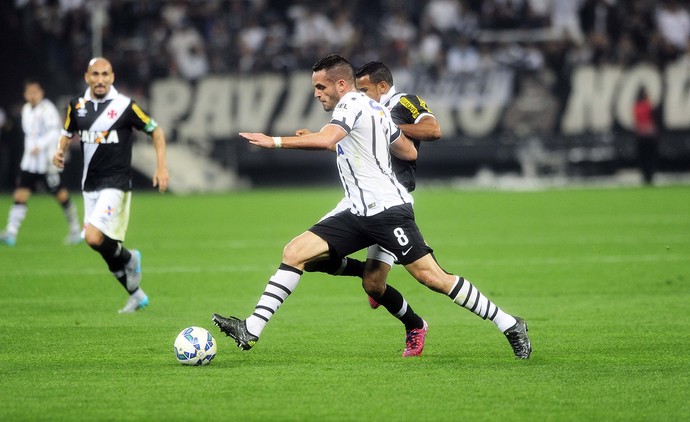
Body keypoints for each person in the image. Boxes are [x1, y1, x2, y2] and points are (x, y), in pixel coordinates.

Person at [213, 54, 532, 359]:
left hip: (386, 210)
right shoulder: (375, 110)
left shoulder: (352, 103)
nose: (316, 94)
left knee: (432, 277)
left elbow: (328, 140)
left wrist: (275, 141)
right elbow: (408, 152)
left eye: (320, 87)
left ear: (340, 85)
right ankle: (250, 329)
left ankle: (509, 323)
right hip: (356, 210)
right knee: (297, 253)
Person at [301, 61, 442, 357]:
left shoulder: (403, 102)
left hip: (392, 200)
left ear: (382, 86)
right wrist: (318, 139)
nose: (359, 95)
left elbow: (433, 129)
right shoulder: (361, 109)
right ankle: (406, 256)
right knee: (318, 262)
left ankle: (415, 325)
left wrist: (384, 124)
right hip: (363, 198)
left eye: (364, 90)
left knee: (376, 285)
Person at [52, 57, 169, 313]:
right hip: (90, 185)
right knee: (99, 245)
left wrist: (161, 167)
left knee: (93, 237)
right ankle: (136, 293)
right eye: (95, 74)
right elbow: (66, 133)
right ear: (87, 77)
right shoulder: (77, 106)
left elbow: (156, 131)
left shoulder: (126, 106)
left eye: (105, 74)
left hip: (116, 184)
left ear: (112, 77)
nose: (101, 79)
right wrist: (59, 151)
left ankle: (130, 258)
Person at [0, 79, 81, 247]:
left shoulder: (47, 109)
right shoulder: (26, 109)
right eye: (29, 93)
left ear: (41, 93)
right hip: (30, 163)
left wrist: (40, 146)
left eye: (35, 92)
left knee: (60, 194)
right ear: (25, 95)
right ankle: (11, 232)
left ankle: (75, 229)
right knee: (20, 193)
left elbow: (55, 131)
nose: (32, 95)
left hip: (46, 162)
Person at [632, 88, 658, 185]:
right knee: (650, 158)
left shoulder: (636, 107)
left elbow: (637, 121)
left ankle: (645, 176)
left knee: (643, 158)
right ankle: (649, 176)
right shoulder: (648, 106)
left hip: (641, 136)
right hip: (649, 136)